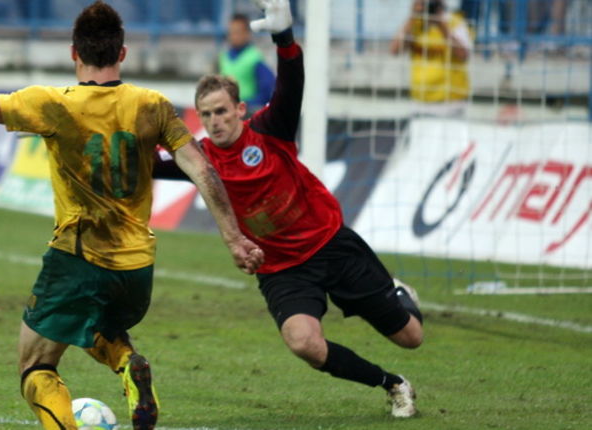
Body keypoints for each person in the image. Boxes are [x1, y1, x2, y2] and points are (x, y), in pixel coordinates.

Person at [0, 2, 264, 429]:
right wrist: (234, 239)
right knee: (91, 325)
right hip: (137, 269)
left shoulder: (53, 103)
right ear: (123, 54)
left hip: (78, 258)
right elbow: (203, 169)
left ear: (74, 53)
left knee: (35, 366)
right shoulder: (153, 104)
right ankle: (128, 362)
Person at [155, 0, 424, 418]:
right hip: (282, 268)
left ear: (240, 110)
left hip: (330, 243)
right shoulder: (200, 161)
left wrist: (284, 38)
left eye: (222, 111)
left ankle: (401, 293)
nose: (215, 121)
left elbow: (291, 82)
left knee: (411, 337)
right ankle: (393, 385)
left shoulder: (270, 129)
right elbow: (146, 163)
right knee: (303, 342)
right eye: (206, 115)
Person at [390, 0, 473, 117]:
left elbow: (463, 55)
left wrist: (441, 24)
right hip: (419, 101)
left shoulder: (455, 22)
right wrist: (412, 17)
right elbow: (394, 50)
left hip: (450, 103)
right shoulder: (415, 24)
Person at [219, 13, 275, 112]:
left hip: (247, 112)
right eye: (231, 32)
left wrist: (248, 104)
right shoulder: (224, 57)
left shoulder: (254, 57)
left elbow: (268, 88)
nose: (233, 36)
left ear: (247, 34)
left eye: (237, 32)